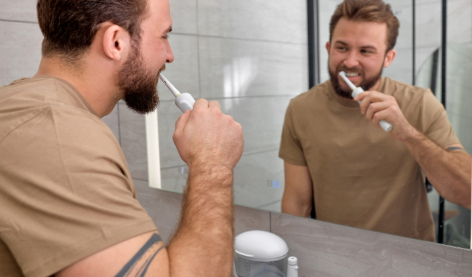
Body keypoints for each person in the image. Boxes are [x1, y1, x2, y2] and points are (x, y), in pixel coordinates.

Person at [0, 0, 243, 276]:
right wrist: (213, 163)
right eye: (164, 36)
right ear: (116, 42)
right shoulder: (56, 134)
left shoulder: (26, 110)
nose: (170, 55)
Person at [279, 0, 471, 242]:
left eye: (366, 51)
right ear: (328, 48)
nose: (350, 61)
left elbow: (467, 192)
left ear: (388, 57)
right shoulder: (301, 109)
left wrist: (407, 133)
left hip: (410, 259)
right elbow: (297, 203)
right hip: (336, 255)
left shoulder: (420, 104)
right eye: (341, 47)